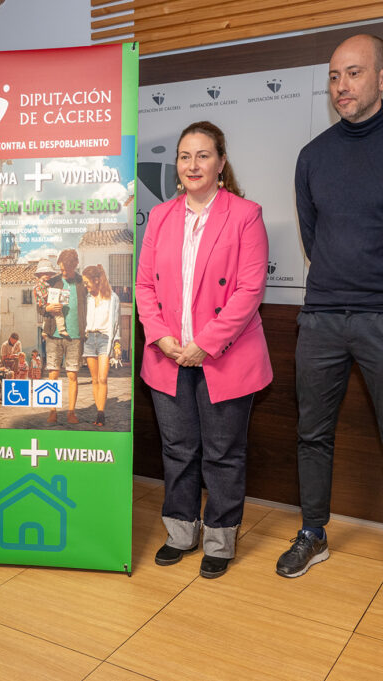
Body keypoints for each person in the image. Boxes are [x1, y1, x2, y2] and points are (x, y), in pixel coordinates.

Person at [275, 34, 383, 610]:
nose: (341, 86)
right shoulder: (313, 155)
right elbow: (313, 236)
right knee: (311, 434)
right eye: (333, 76)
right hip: (322, 315)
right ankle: (313, 533)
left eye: (353, 74)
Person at [136, 120, 272, 579]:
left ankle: (219, 537)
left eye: (203, 155)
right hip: (167, 356)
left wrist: (204, 345)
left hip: (224, 357)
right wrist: (161, 337)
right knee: (177, 450)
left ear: (221, 163)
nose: (193, 164)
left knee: (222, 452)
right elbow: (143, 286)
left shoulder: (245, 214)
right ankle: (180, 532)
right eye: (184, 156)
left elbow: (250, 290)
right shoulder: (160, 216)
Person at [39, 249, 87, 424]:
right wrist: (47, 309)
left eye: (65, 270)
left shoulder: (82, 283)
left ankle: (71, 412)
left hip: (75, 337)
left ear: (74, 265)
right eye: (61, 269)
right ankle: (53, 411)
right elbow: (39, 307)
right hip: (54, 335)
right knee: (53, 375)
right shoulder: (52, 282)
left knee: (73, 376)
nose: (63, 273)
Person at [81, 264, 120, 426]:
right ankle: (98, 412)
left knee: (103, 378)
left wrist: (116, 344)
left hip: (104, 339)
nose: (85, 285)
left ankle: (101, 414)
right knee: (95, 379)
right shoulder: (87, 299)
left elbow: (116, 323)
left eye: (86, 282)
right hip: (89, 339)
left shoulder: (113, 298)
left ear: (96, 280)